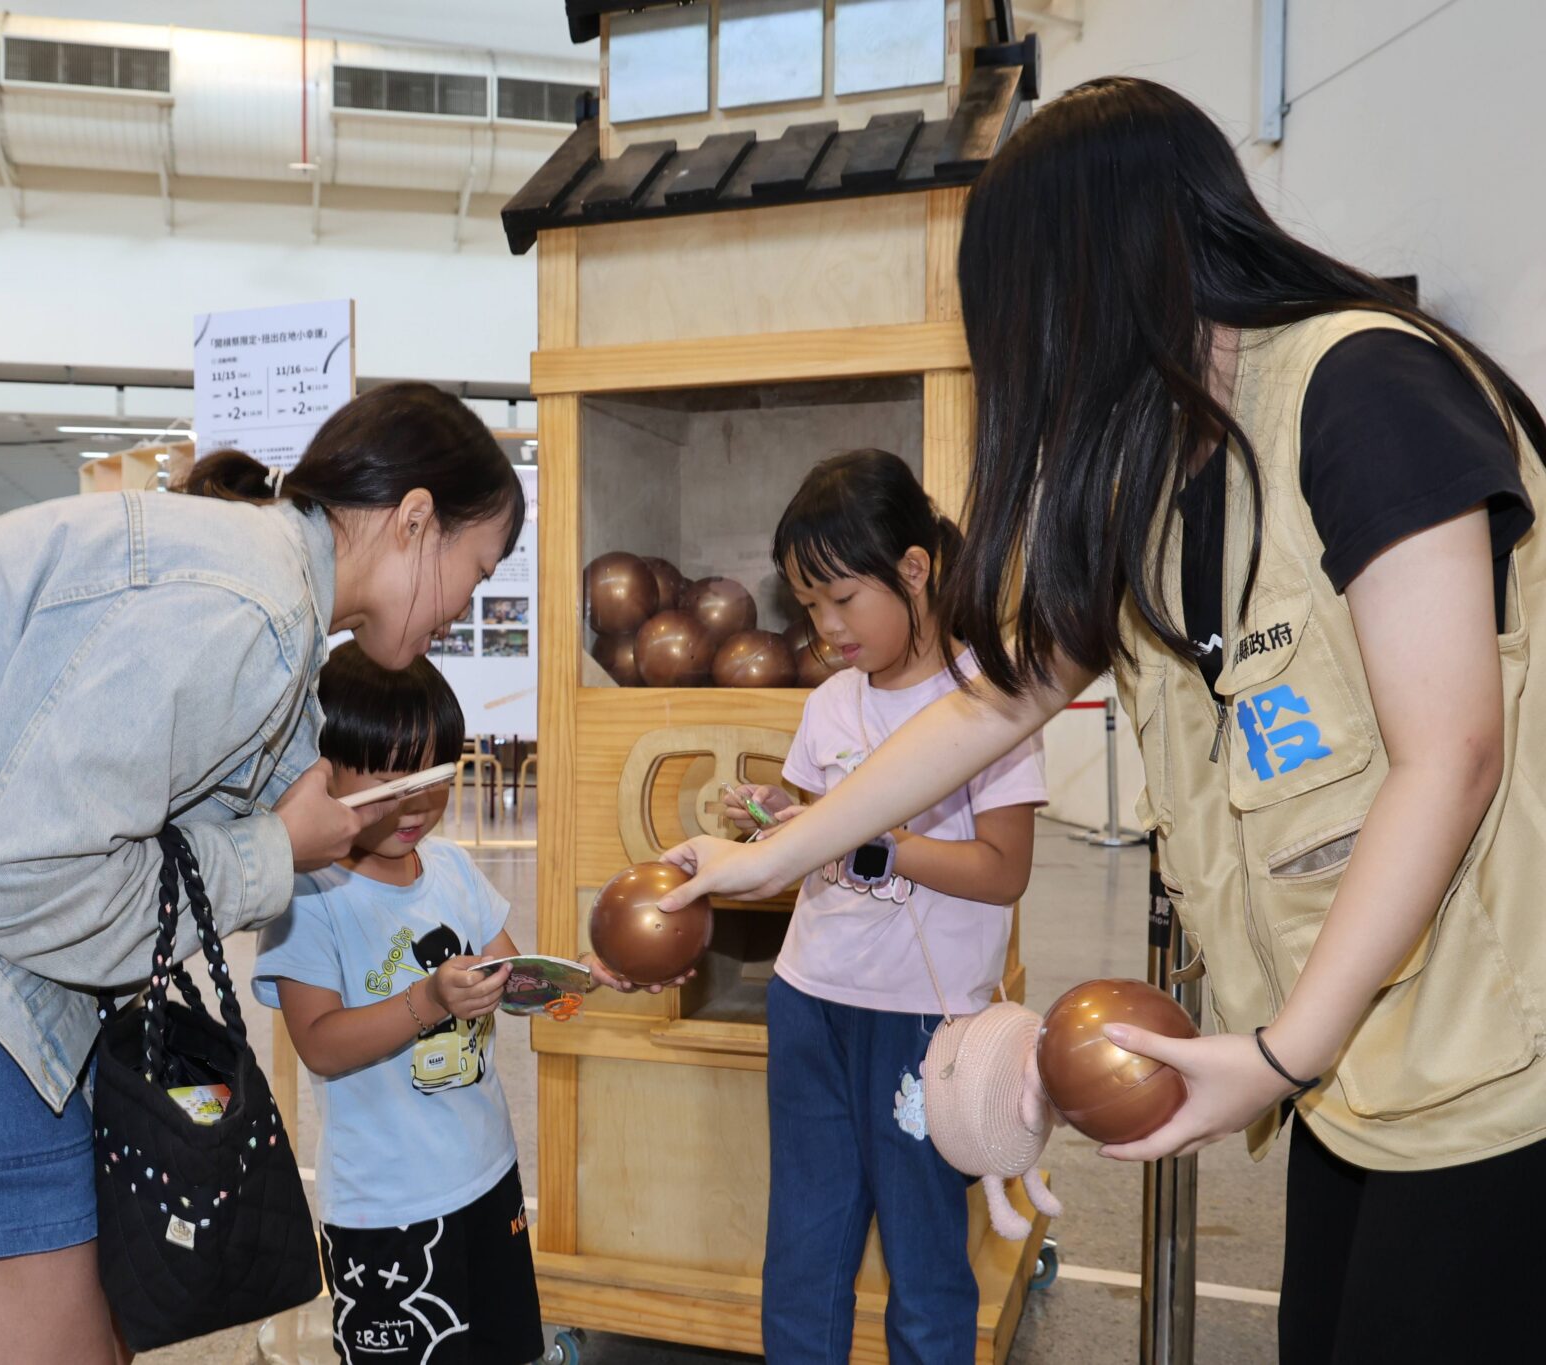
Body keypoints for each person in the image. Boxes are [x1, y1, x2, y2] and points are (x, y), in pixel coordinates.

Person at [656, 78, 1546, 1362]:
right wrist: (766, 857)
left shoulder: (1361, 390)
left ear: (1099, 272)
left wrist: (1279, 1053)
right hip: (1361, 1074)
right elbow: (987, 701)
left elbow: (1450, 754)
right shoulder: (1162, 470)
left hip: (1493, 1073)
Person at [0, 383, 525, 1365]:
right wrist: (274, 850)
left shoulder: (255, 587)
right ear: (416, 519)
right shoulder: (245, 602)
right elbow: (24, 875)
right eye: (477, 566)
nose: (465, 607)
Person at [252, 642, 663, 1365]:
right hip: (387, 1210)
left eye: (434, 776)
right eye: (388, 781)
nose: (415, 804)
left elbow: (511, 977)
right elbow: (318, 1039)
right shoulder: (307, 895)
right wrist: (428, 999)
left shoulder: (451, 868)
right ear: (326, 776)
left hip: (487, 1176)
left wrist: (583, 975)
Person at [721, 451, 1043, 1364]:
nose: (825, 628)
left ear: (914, 568)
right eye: (807, 606)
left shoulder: (994, 701)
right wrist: (772, 825)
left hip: (925, 1026)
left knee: (926, 1254)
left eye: (841, 600)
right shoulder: (829, 703)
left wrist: (876, 840)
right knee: (806, 1250)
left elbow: (1003, 869)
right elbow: (800, 838)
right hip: (811, 998)